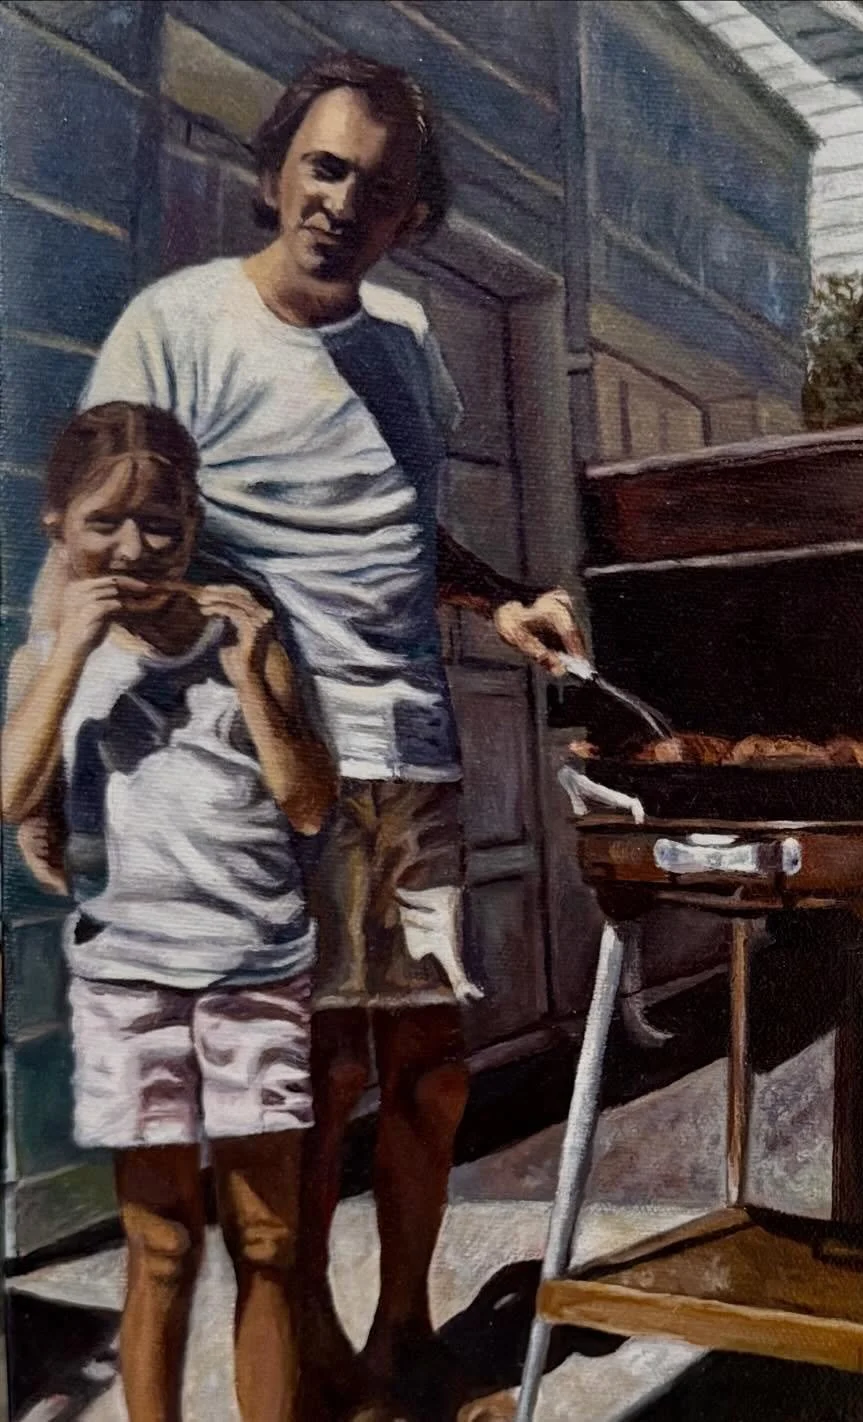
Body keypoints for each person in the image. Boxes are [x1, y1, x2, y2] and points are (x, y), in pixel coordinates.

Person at [19, 51, 588, 1420]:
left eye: (378, 189)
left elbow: (400, 536)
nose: (342, 202)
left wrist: (503, 601)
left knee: (430, 1074)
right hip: (274, 764)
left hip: (415, 759)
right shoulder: (178, 324)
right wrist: (38, 749)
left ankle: (406, 1336)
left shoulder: (406, 346)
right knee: (318, 1079)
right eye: (324, 168)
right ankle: (316, 1347)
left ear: (410, 217)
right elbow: (90, 533)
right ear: (276, 170)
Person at [2, 402, 337, 1422]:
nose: (137, 548)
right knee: (158, 1246)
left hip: (255, 967)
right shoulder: (50, 657)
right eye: (105, 522)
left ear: (193, 523)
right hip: (126, 982)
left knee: (269, 1241)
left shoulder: (246, 636)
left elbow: (309, 804)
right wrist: (70, 651)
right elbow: (10, 796)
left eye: (162, 524)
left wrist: (249, 678)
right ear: (58, 524)